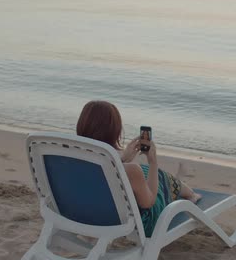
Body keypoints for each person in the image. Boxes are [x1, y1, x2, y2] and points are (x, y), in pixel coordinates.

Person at [76, 100, 202, 237]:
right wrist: (153, 162)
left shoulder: (71, 160)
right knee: (156, 175)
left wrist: (122, 160)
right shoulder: (131, 171)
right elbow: (148, 203)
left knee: (142, 170)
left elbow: (99, 176)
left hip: (86, 214)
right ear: (115, 132)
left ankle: (179, 186)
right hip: (139, 224)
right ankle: (190, 195)